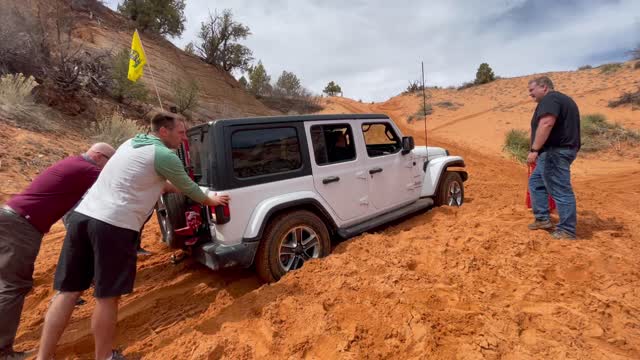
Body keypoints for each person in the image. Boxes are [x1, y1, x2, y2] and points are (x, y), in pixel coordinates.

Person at [36, 112, 229, 360]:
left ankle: (43, 356)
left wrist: (173, 186)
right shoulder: (164, 155)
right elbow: (187, 187)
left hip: (81, 217)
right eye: (181, 132)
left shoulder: (130, 144)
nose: (184, 138)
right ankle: (105, 356)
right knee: (107, 297)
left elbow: (146, 180)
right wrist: (211, 199)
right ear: (163, 132)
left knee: (68, 292)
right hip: (113, 225)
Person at [0, 143, 115, 360]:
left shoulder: (73, 163)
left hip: (10, 216)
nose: (107, 167)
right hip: (22, 225)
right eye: (108, 162)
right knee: (13, 286)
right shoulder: (89, 170)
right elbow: (118, 181)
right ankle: (2, 351)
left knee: (6, 282)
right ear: (99, 156)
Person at [526, 76, 580, 240]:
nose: (530, 94)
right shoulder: (560, 99)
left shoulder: (551, 99)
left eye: (531, 90)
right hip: (555, 152)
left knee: (560, 189)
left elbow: (546, 123)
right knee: (536, 182)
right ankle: (542, 219)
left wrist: (534, 149)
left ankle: (567, 230)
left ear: (543, 87)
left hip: (555, 152)